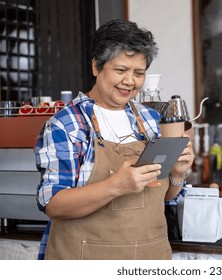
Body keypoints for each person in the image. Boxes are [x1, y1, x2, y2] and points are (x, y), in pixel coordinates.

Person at [34, 19, 194, 260]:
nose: (130, 81)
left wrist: (179, 174)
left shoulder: (151, 121)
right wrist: (115, 186)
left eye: (139, 73)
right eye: (120, 70)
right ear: (96, 67)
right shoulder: (68, 124)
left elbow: (164, 195)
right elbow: (53, 203)